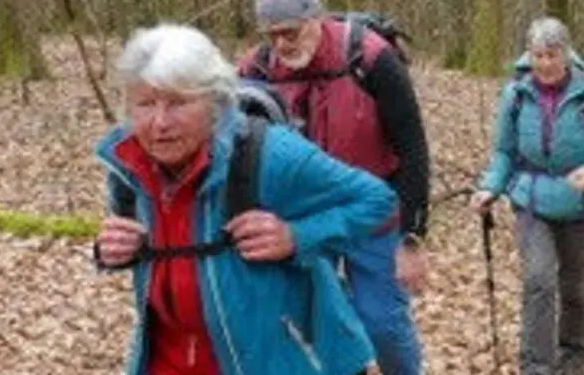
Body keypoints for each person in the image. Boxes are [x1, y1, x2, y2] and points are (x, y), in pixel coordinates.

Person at [93, 23, 393, 375]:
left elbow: (377, 200)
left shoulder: (270, 156)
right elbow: (139, 243)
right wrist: (110, 250)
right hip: (166, 362)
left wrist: (297, 236)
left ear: (214, 101)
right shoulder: (129, 165)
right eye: (145, 104)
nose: (159, 123)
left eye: (178, 103)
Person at [237, 0, 431, 375]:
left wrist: (411, 237)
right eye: (270, 35)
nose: (280, 46)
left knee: (383, 326)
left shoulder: (371, 58)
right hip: (302, 216)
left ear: (316, 19)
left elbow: (412, 148)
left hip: (375, 212)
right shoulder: (254, 72)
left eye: (289, 33)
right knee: (314, 327)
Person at [470, 17, 584, 375]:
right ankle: (536, 366)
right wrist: (489, 188)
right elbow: (503, 152)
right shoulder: (516, 92)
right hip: (532, 200)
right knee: (539, 279)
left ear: (566, 54)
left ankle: (573, 355)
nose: (544, 63)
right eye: (538, 54)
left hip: (579, 204)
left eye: (552, 54)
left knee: (574, 284)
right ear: (528, 54)